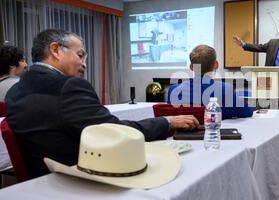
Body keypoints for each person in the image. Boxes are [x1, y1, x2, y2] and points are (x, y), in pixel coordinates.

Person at [5, 29, 199, 178]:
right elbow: (114, 133)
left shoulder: (15, 92)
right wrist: (167, 122)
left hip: (42, 182)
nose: (85, 64)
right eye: (80, 55)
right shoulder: (69, 87)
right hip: (80, 180)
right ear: (55, 50)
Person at [167, 44, 253, 119]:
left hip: (181, 136)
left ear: (191, 67)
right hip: (214, 134)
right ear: (216, 65)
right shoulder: (226, 90)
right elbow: (248, 111)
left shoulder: (173, 90)